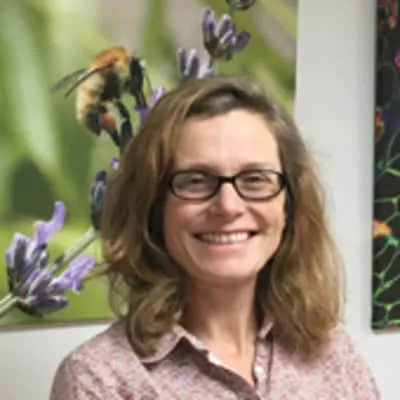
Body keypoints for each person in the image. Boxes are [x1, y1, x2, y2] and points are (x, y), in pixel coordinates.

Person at [50, 74, 381, 399]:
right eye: (196, 180)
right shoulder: (99, 380)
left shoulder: (333, 355)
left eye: (255, 178)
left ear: (289, 204)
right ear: (153, 207)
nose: (228, 206)